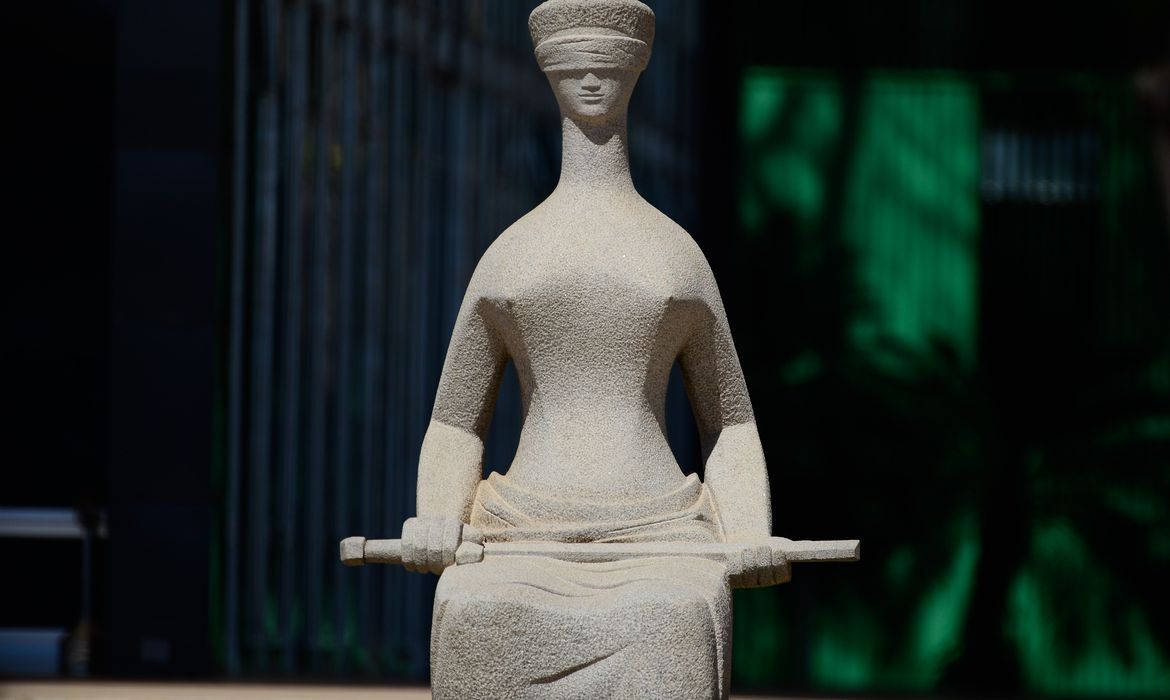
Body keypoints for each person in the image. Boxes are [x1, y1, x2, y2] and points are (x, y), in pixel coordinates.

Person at [399, 2, 782, 696]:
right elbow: (455, 421)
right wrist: (436, 519)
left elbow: (730, 419)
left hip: (660, 532)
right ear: (549, 75)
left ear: (634, 73)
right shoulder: (511, 256)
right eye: (575, 68)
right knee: (473, 614)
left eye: (607, 67)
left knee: (674, 618)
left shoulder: (675, 255)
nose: (592, 82)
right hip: (521, 531)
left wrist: (750, 528)